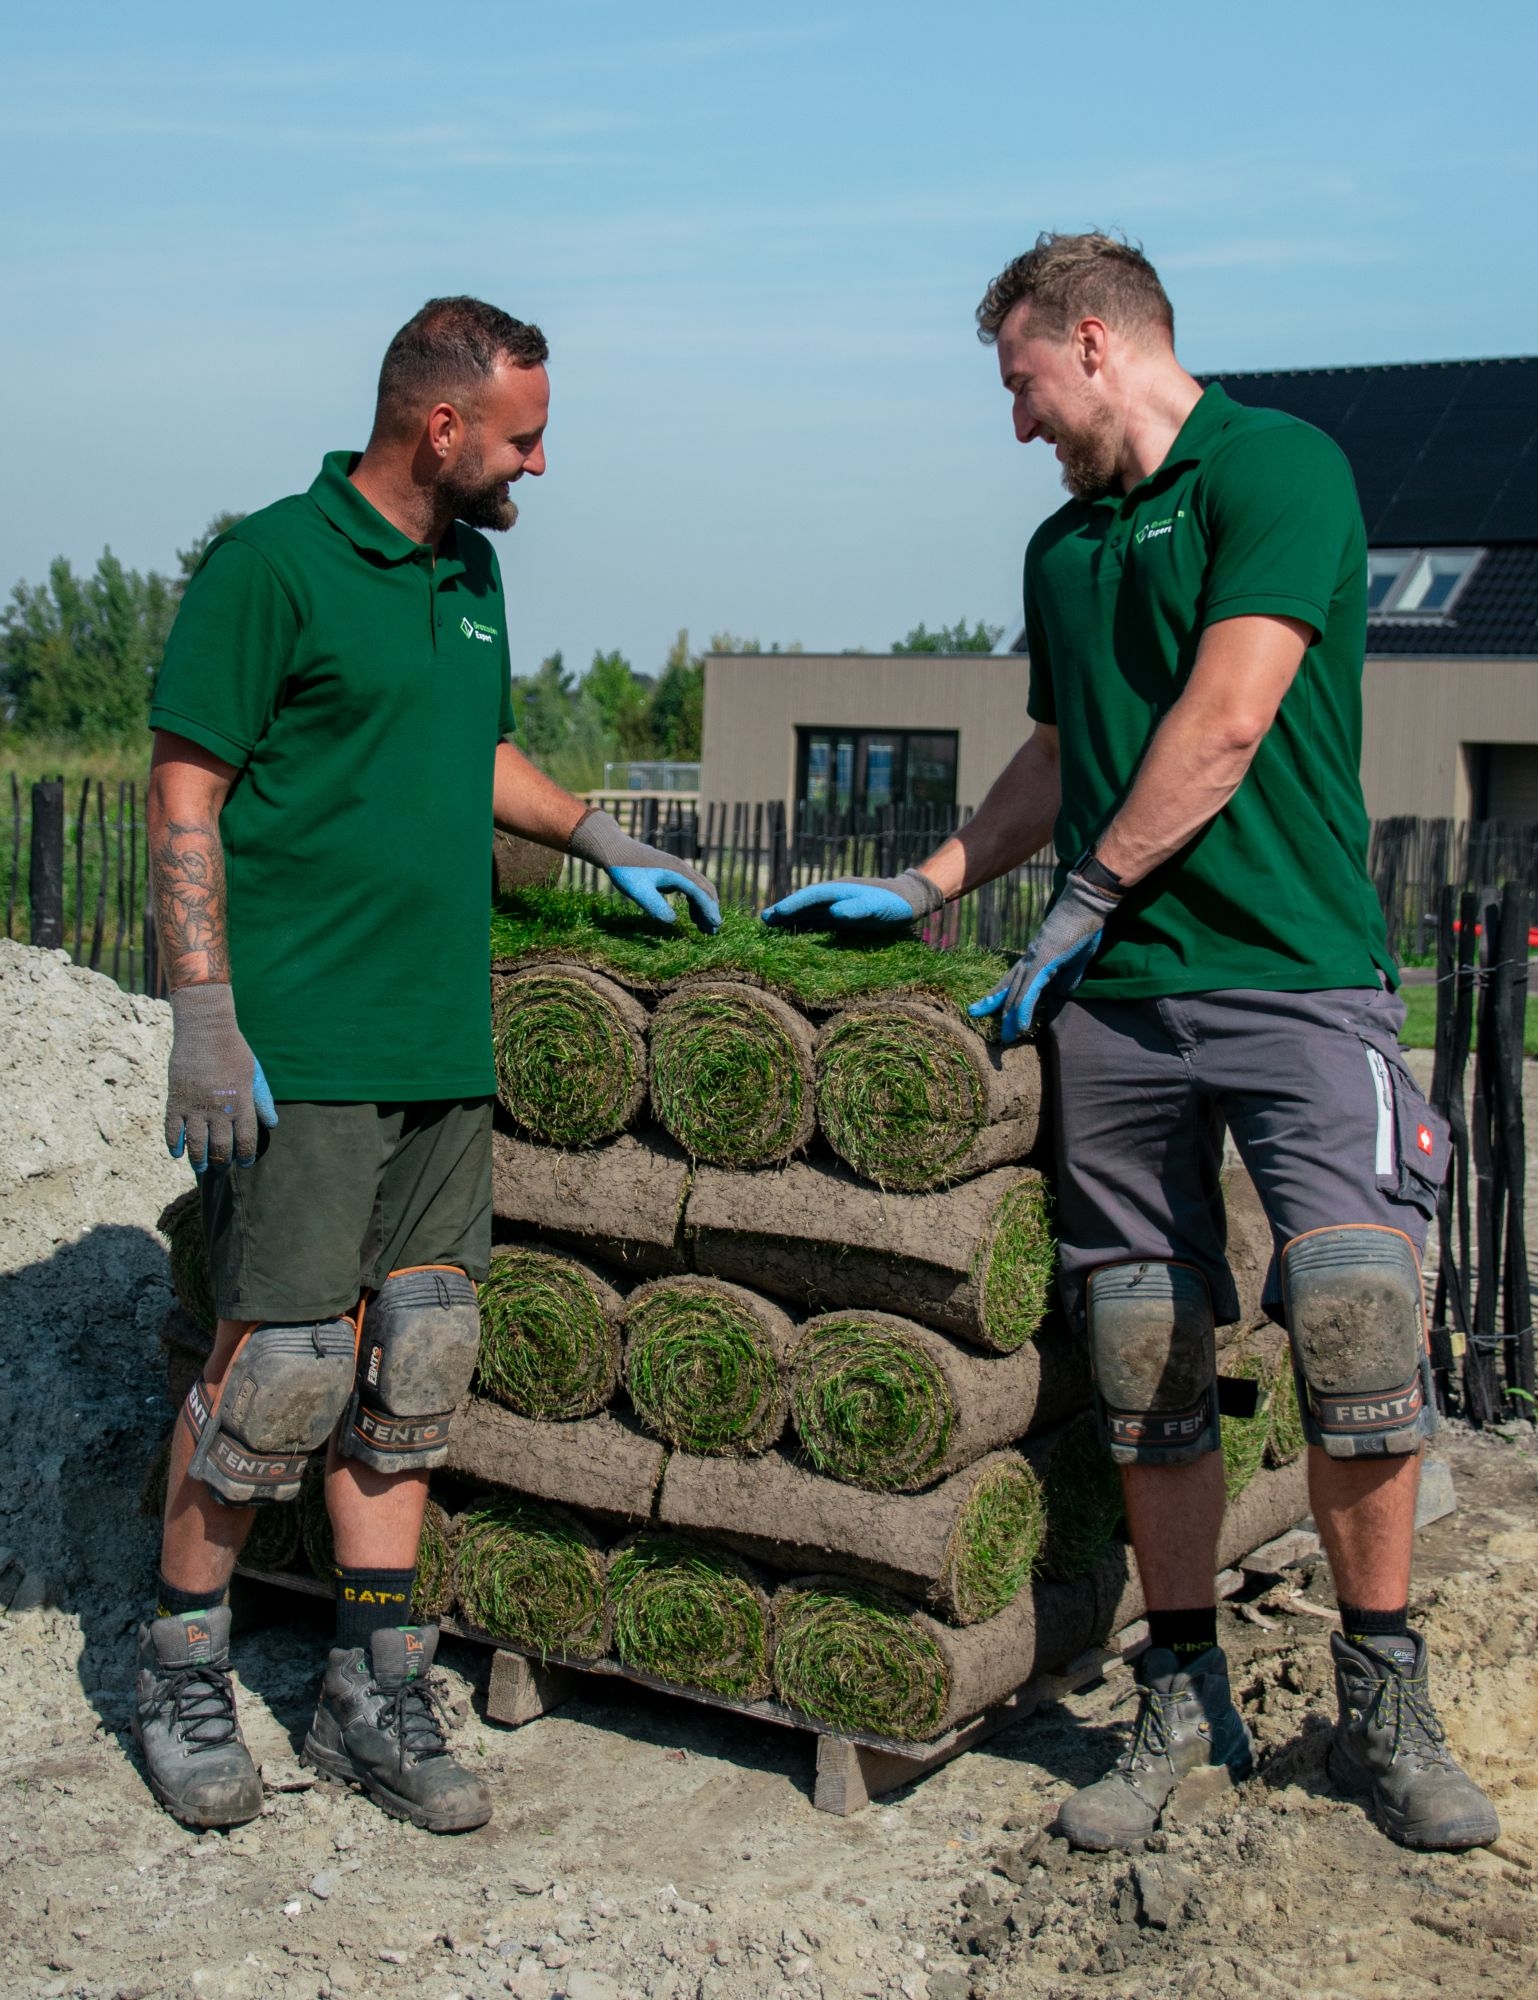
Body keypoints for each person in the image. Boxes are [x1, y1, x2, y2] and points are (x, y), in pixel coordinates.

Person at [763, 233, 1498, 1855]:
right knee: (1142, 1350)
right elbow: (1061, 743)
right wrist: (933, 877)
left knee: (1359, 1325)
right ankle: (1183, 1689)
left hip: (1291, 978)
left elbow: (1225, 718)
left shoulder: (1278, 470)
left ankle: (1379, 1697)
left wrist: (1079, 898)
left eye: (1020, 383)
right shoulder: (1058, 549)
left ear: (1093, 343)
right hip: (1117, 1014)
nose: (1016, 423)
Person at [135, 296, 719, 1834]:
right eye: (523, 435)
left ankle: (367, 1686)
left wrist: (597, 833)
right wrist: (204, 1008)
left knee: (417, 1362)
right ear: (440, 426)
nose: (539, 463)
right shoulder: (271, 564)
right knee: (277, 1370)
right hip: (304, 1049)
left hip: (437, 1046)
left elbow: (467, 750)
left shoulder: (470, 576)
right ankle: (180, 1662)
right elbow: (185, 789)